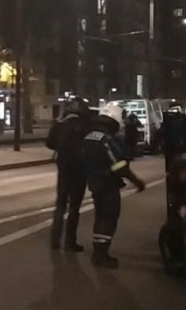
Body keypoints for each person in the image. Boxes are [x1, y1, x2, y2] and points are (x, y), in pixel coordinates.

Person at [83, 103, 147, 268]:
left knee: (100, 218)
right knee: (109, 219)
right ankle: (101, 255)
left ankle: (98, 252)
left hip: (94, 182)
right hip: (107, 184)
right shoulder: (109, 139)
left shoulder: (90, 135)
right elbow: (119, 165)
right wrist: (137, 182)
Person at [46, 97, 90, 252]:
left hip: (63, 168)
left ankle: (55, 239)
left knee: (60, 205)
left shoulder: (60, 125)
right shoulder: (86, 126)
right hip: (79, 170)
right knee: (74, 207)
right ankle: (70, 242)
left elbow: (49, 143)